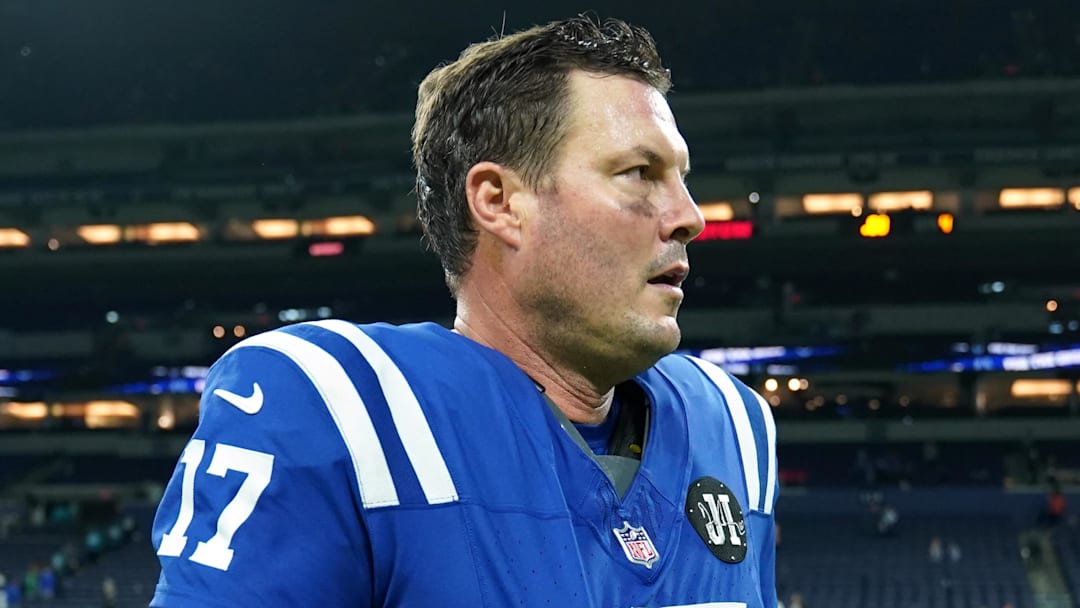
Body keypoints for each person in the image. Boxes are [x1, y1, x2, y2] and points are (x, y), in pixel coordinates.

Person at [150, 15, 778, 607]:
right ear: (500, 202)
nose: (690, 216)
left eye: (682, 177)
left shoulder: (732, 427)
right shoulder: (334, 408)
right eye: (639, 172)